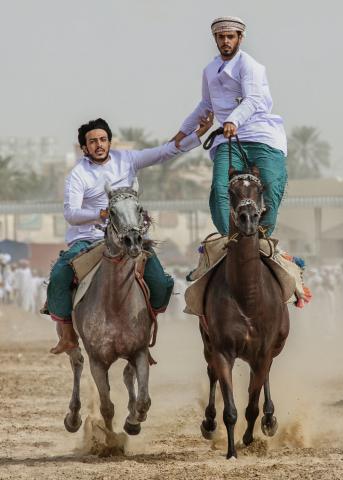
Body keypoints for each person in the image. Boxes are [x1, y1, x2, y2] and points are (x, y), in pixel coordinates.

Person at [46, 117, 213, 354]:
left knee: (162, 283)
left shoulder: (127, 160)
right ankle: (68, 334)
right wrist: (100, 214)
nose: (99, 145)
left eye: (103, 139)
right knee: (59, 275)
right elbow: (71, 213)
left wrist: (197, 135)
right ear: (84, 148)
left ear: (110, 142)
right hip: (89, 239)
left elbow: (164, 152)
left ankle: (146, 327)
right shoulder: (78, 175)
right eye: (92, 142)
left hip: (130, 237)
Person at [172, 17, 287, 237]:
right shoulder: (209, 70)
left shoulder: (249, 65)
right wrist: (182, 132)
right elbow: (205, 105)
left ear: (240, 38)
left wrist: (233, 120)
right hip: (228, 140)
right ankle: (229, 240)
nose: (225, 41)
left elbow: (252, 99)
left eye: (230, 37)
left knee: (272, 187)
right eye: (221, 37)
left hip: (261, 135)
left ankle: (263, 239)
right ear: (215, 39)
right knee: (219, 189)